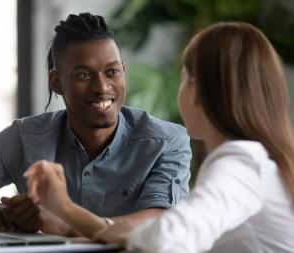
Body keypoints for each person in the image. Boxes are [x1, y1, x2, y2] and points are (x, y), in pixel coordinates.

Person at [25, 22, 294, 252]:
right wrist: (66, 210)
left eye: (185, 78)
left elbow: (167, 240)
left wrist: (65, 210)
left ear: (200, 90)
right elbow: (148, 237)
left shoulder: (240, 162)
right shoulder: (259, 159)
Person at [0, 12, 192, 235]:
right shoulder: (25, 137)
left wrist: (58, 223)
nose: (101, 87)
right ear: (56, 82)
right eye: (83, 75)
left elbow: (160, 226)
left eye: (112, 72)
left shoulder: (167, 142)